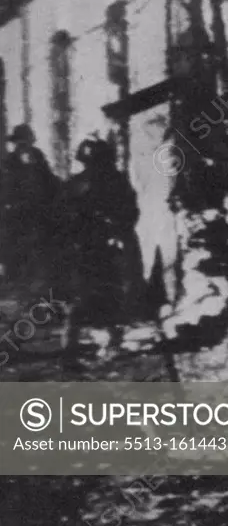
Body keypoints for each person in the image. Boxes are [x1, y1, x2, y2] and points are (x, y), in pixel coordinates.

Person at [57, 138, 139, 362]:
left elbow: (131, 211)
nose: (96, 166)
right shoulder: (76, 185)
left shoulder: (117, 182)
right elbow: (63, 218)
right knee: (80, 298)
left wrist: (118, 229)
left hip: (109, 247)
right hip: (85, 249)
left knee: (110, 295)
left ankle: (110, 342)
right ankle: (70, 347)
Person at [0, 124, 60, 287]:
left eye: (26, 142)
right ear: (16, 143)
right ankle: (16, 278)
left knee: (42, 241)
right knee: (16, 243)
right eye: (20, 143)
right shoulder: (10, 163)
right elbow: (6, 188)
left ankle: (39, 278)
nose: (24, 146)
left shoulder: (38, 156)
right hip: (17, 212)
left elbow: (49, 179)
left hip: (39, 210)